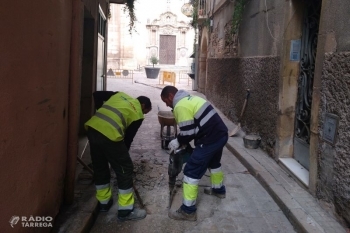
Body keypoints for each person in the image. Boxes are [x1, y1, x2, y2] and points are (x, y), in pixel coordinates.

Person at [160, 86, 228, 221]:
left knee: (191, 170)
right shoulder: (191, 98)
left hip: (210, 138)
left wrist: (177, 141)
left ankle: (188, 211)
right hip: (220, 134)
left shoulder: (180, 106)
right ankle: (218, 190)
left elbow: (188, 132)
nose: (167, 105)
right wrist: (182, 140)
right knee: (214, 163)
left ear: (170, 96)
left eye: (166, 101)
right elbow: (194, 127)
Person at [85, 91, 152, 221]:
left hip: (93, 129)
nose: (143, 114)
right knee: (125, 168)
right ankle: (126, 211)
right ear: (143, 105)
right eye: (146, 111)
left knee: (100, 167)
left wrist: (101, 114)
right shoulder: (138, 113)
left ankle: (104, 203)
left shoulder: (120, 95)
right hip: (109, 135)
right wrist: (122, 158)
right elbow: (128, 139)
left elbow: (97, 94)